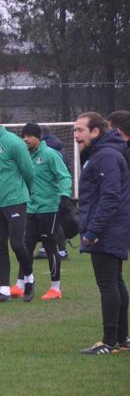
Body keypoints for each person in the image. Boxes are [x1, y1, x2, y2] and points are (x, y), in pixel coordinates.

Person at [73, 112, 130, 354]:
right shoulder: (102, 153)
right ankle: (121, 339)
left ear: (96, 132)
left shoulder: (106, 155)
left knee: (108, 283)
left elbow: (110, 197)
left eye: (80, 130)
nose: (75, 135)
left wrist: (94, 230)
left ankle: (109, 342)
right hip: (112, 226)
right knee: (115, 281)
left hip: (108, 228)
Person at [0, 106, 35, 303]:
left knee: (18, 244)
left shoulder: (14, 143)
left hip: (15, 202)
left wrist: (23, 193)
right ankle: (4, 291)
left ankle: (29, 280)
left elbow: (29, 172)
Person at [13, 123, 72, 301]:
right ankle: (20, 284)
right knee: (25, 246)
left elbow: (64, 176)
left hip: (50, 208)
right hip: (30, 208)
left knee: (49, 245)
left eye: (29, 136)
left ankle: (55, 288)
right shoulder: (23, 156)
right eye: (23, 136)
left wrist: (64, 195)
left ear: (38, 137)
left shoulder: (50, 155)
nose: (25, 139)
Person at [34, 126, 70, 260]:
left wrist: (63, 192)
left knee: (55, 223)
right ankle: (47, 247)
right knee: (49, 223)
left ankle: (61, 250)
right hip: (48, 191)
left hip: (52, 192)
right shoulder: (56, 147)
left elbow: (61, 172)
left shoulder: (50, 151)